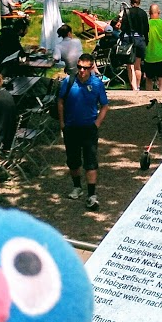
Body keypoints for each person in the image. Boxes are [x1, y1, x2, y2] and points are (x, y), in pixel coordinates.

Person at [56, 54, 109, 209]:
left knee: (90, 161)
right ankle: (77, 187)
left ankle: (91, 194)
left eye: (85, 68)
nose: (81, 71)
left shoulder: (97, 84)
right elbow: (60, 101)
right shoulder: (69, 81)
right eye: (79, 67)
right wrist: (62, 123)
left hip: (88, 128)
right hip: (71, 127)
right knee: (73, 160)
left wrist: (96, 124)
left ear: (91, 68)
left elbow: (105, 105)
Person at [117, 0, 150, 91]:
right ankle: (138, 86)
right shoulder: (143, 13)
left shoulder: (127, 12)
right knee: (137, 65)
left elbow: (123, 28)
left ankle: (134, 87)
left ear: (130, 1)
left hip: (128, 39)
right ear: (139, 2)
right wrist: (146, 41)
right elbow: (146, 29)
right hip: (140, 39)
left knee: (130, 65)